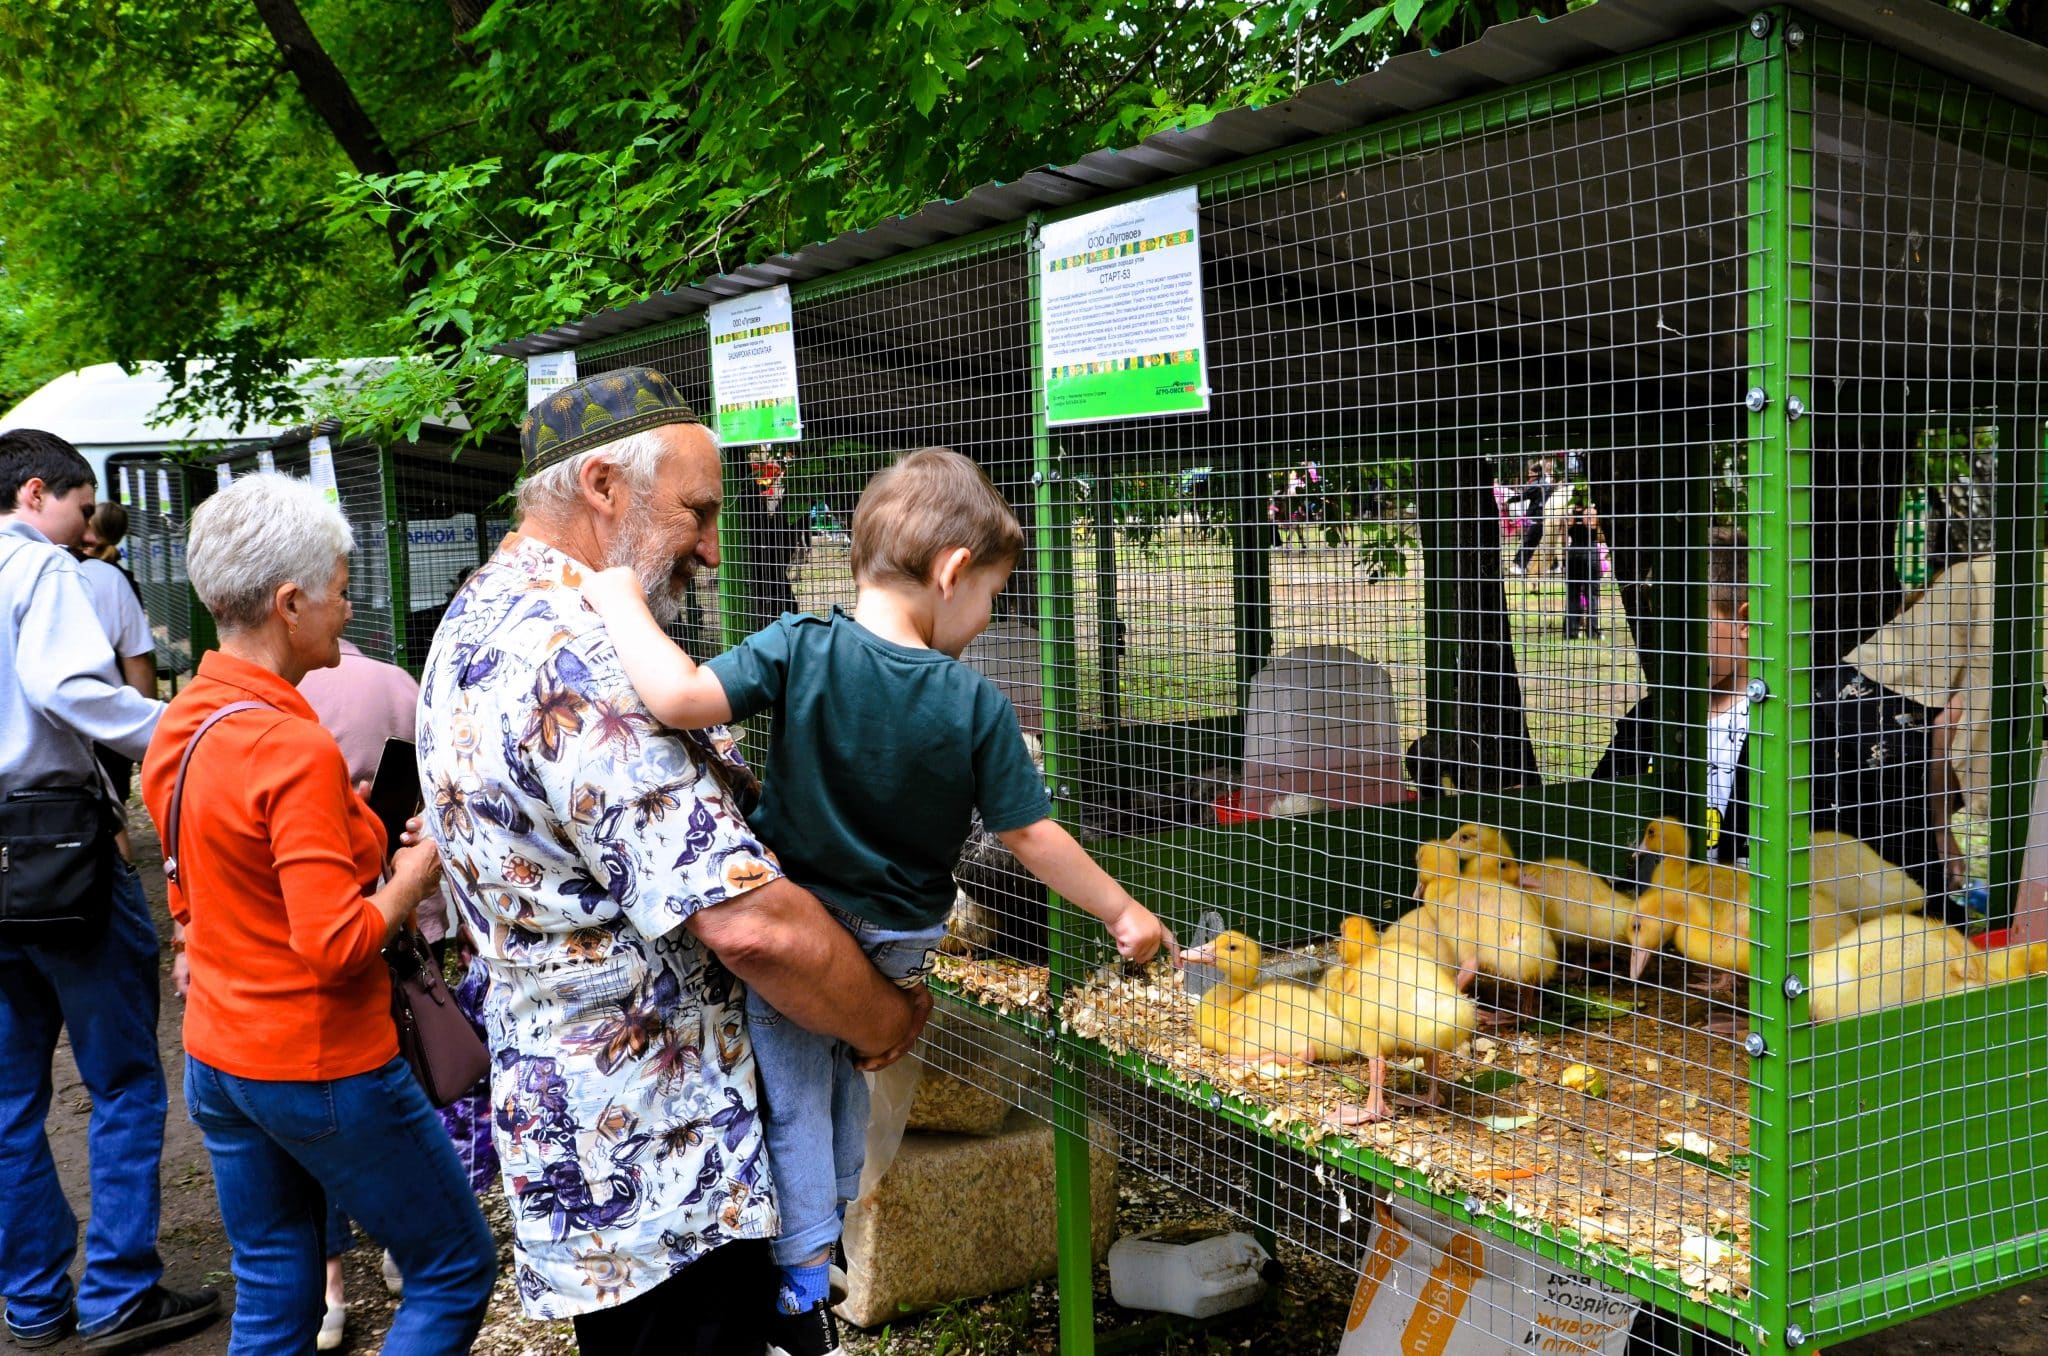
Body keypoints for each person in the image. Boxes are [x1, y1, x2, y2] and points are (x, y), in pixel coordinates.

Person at [586, 446, 1170, 1355]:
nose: (982, 622)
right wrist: (1122, 912)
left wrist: (619, 599)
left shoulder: (797, 643)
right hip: (901, 935)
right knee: (861, 1060)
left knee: (790, 1091)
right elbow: (1031, 834)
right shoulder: (974, 702)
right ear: (952, 571)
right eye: (989, 599)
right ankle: (842, 1207)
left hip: (807, 920)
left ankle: (804, 1268)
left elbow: (678, 695)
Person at [415, 367, 932, 1355]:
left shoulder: (478, 614)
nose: (711, 544)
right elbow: (744, 921)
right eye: (695, 510)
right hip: (669, 1170)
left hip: (583, 1140)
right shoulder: (583, 659)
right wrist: (883, 1018)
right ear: (604, 486)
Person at [140, 473, 497, 1356]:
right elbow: (336, 947)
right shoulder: (290, 745)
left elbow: (213, 880)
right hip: (320, 1061)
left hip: (220, 1057)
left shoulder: (183, 723)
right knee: (454, 1266)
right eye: (342, 588)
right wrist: (417, 867)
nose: (350, 606)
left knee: (275, 1283)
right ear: (289, 601)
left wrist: (354, 834)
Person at [0, 428, 220, 1352]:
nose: (87, 531)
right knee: (126, 1078)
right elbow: (68, 689)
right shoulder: (37, 571)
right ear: (36, 493)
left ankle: (33, 1300)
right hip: (58, 853)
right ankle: (120, 1290)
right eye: (83, 509)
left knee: (8, 1101)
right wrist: (183, 730)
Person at [296, 638, 460, 1350]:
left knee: (323, 1109)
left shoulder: (286, 703)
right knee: (410, 1070)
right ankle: (402, 1244)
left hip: (322, 923)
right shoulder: (396, 681)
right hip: (403, 908)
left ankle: (331, 1290)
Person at [1813, 553, 1993, 907]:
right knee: (1908, 899)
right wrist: (1940, 830)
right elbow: (1953, 719)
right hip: (1876, 725)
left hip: (1878, 716)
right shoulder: (2010, 582)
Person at [1594, 528, 1755, 866]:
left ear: (1746, 621)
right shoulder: (1648, 720)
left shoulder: (1798, 728)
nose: (1670, 645)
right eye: (1663, 625)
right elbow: (1595, 822)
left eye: (1688, 625)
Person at [72, 505, 158, 802]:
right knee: (111, 810)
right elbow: (137, 657)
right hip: (108, 713)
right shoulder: (114, 578)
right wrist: (145, 733)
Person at [1562, 498, 1603, 641]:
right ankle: (1592, 631)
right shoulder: (1592, 512)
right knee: (1591, 594)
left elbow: (1566, 532)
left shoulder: (1570, 514)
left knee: (1573, 594)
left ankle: (1570, 631)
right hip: (1589, 553)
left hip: (1573, 553)